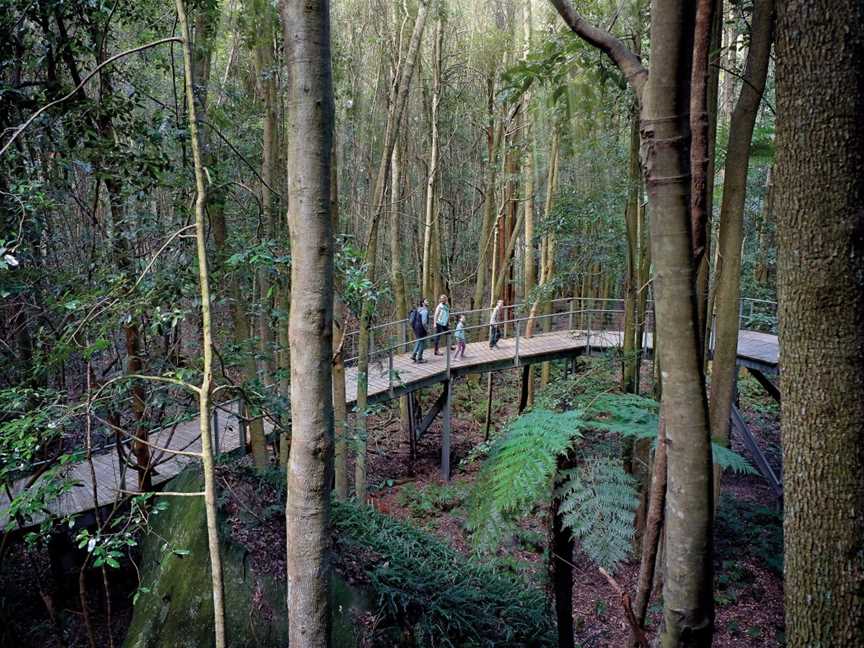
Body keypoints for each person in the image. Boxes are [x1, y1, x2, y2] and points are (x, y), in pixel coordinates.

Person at [409, 298, 429, 363]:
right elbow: (424, 322)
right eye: (426, 301)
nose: (428, 302)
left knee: (418, 340)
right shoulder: (425, 311)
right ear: (423, 303)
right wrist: (427, 330)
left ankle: (414, 355)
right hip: (421, 328)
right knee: (422, 343)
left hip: (416, 327)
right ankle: (420, 358)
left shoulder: (419, 309)